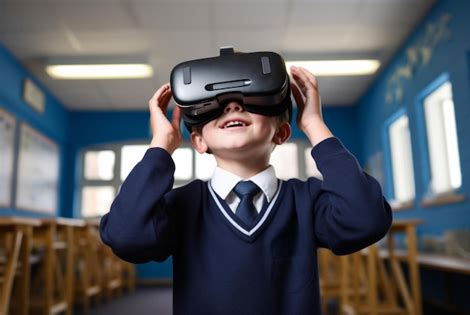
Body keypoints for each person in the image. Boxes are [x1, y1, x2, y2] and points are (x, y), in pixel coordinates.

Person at [99, 65, 392, 315]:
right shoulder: (183, 205)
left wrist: (314, 125)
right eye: (217, 106)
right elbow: (126, 236)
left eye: (249, 101)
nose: (233, 106)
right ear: (199, 142)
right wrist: (161, 146)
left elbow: (366, 220)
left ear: (281, 133)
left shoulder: (307, 201)